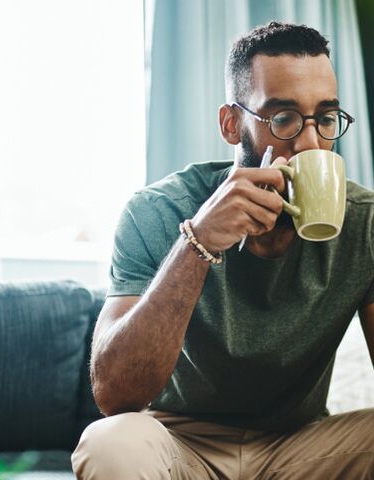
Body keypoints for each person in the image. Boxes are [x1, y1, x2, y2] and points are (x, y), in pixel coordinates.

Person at [72, 21, 374, 479]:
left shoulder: (364, 221)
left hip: (301, 446)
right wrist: (198, 242)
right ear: (232, 125)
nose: (311, 143)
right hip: (180, 444)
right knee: (110, 443)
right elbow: (115, 395)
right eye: (284, 118)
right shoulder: (155, 211)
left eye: (326, 119)